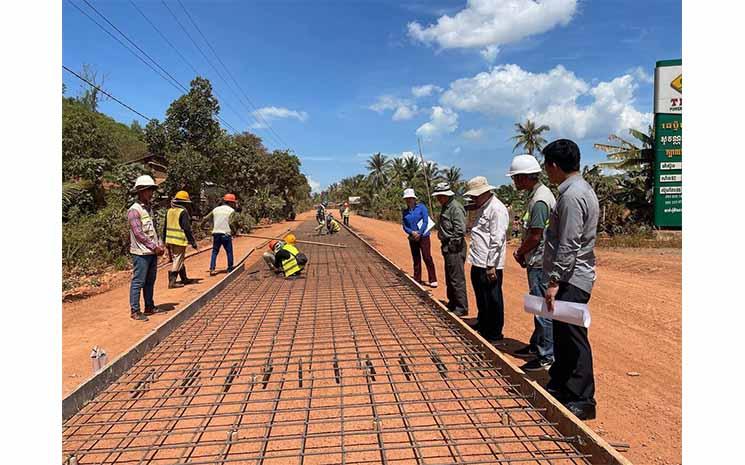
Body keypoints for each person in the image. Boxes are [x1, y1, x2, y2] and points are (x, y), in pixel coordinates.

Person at [541, 139, 600, 420]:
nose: (546, 171)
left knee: (574, 336)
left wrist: (554, 281)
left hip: (571, 278)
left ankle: (583, 398)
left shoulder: (572, 196)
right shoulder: (578, 190)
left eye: (546, 166)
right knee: (563, 334)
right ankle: (564, 385)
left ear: (553, 165)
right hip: (571, 276)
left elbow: (569, 243)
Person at [507, 155, 557, 372]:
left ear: (525, 177)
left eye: (516, 178)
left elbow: (536, 235)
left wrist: (519, 252)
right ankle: (537, 345)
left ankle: (546, 356)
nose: (514, 182)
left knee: (542, 308)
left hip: (540, 261)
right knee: (539, 305)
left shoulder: (539, 201)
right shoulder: (537, 195)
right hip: (538, 259)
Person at [464, 176, 509, 342]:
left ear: (485, 192)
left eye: (475, 196)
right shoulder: (483, 207)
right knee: (481, 296)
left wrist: (491, 265)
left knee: (493, 298)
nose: (473, 199)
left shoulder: (496, 209)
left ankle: (494, 332)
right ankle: (483, 323)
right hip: (478, 259)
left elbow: (497, 239)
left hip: (489, 263)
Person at [127, 175, 166, 321]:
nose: (151, 193)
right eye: (149, 190)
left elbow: (154, 229)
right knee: (138, 281)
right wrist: (154, 247)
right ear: (141, 191)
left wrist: (159, 244)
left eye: (152, 190)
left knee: (150, 281)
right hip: (141, 253)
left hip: (151, 251)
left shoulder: (149, 209)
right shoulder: (134, 210)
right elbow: (138, 234)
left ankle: (149, 306)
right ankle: (135, 310)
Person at [432, 182, 468, 317]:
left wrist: (452, 245)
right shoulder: (446, 206)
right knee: (450, 276)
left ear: (445, 195)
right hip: (447, 245)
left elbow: (460, 230)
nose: (438, 199)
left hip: (455, 247)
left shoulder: (455, 208)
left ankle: (461, 306)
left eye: (439, 196)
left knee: (456, 277)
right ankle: (453, 302)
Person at [401, 188, 437, 288]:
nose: (409, 200)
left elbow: (425, 221)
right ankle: (417, 279)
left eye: (410, 198)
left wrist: (419, 232)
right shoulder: (405, 212)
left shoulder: (421, 208)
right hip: (412, 237)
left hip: (424, 236)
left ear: (414, 199)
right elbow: (404, 226)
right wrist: (412, 232)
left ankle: (433, 279)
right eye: (407, 198)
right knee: (416, 258)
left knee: (427, 256)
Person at [163, 190, 199, 289]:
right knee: (178, 259)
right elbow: (186, 228)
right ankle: (172, 281)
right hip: (178, 240)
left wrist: (164, 240)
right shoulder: (183, 212)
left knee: (179, 259)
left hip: (169, 239)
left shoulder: (169, 211)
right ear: (184, 203)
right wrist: (192, 242)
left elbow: (165, 226)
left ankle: (184, 278)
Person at [202, 193, 238, 276]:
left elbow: (205, 218)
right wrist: (235, 232)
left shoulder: (216, 210)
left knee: (215, 251)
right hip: (226, 234)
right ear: (231, 203)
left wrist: (202, 227)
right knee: (229, 251)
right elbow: (232, 223)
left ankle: (212, 269)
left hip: (216, 234)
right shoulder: (231, 211)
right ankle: (230, 268)